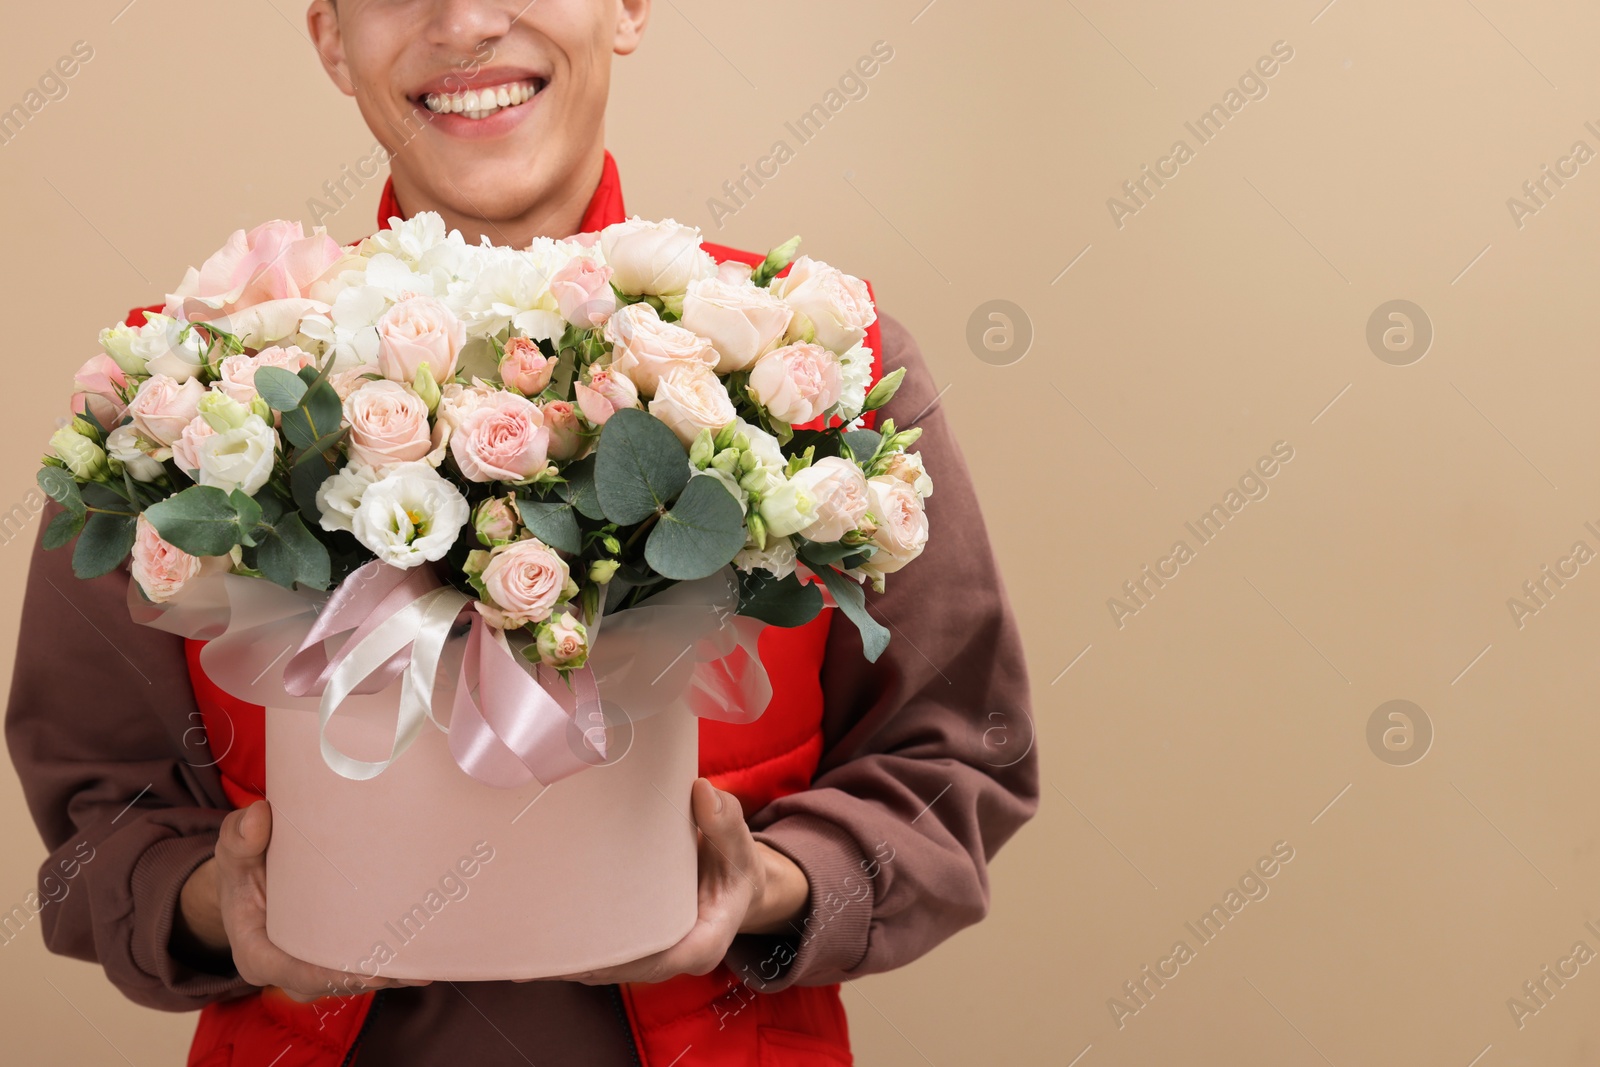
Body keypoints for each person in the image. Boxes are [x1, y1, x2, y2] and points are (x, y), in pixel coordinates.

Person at [6, 2, 1038, 1064]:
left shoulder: (817, 361)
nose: (466, 22)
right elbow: (97, 800)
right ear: (329, 37)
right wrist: (220, 899)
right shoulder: (180, 396)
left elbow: (959, 757)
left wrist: (768, 882)